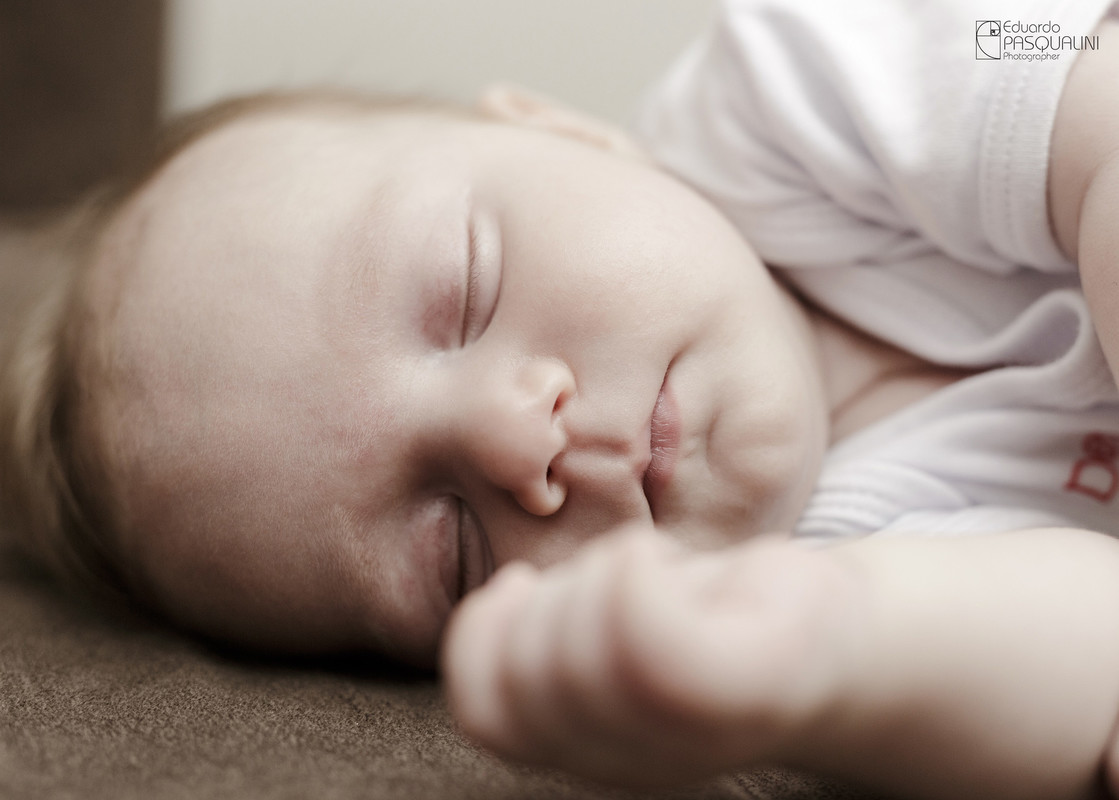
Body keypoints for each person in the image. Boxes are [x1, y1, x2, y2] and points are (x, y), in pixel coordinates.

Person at [0, 0, 1118, 796]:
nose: (514, 440)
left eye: (467, 292)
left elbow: (1067, 68)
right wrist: (818, 657)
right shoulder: (803, 570)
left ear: (559, 130)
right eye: (455, 552)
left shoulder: (793, 84)